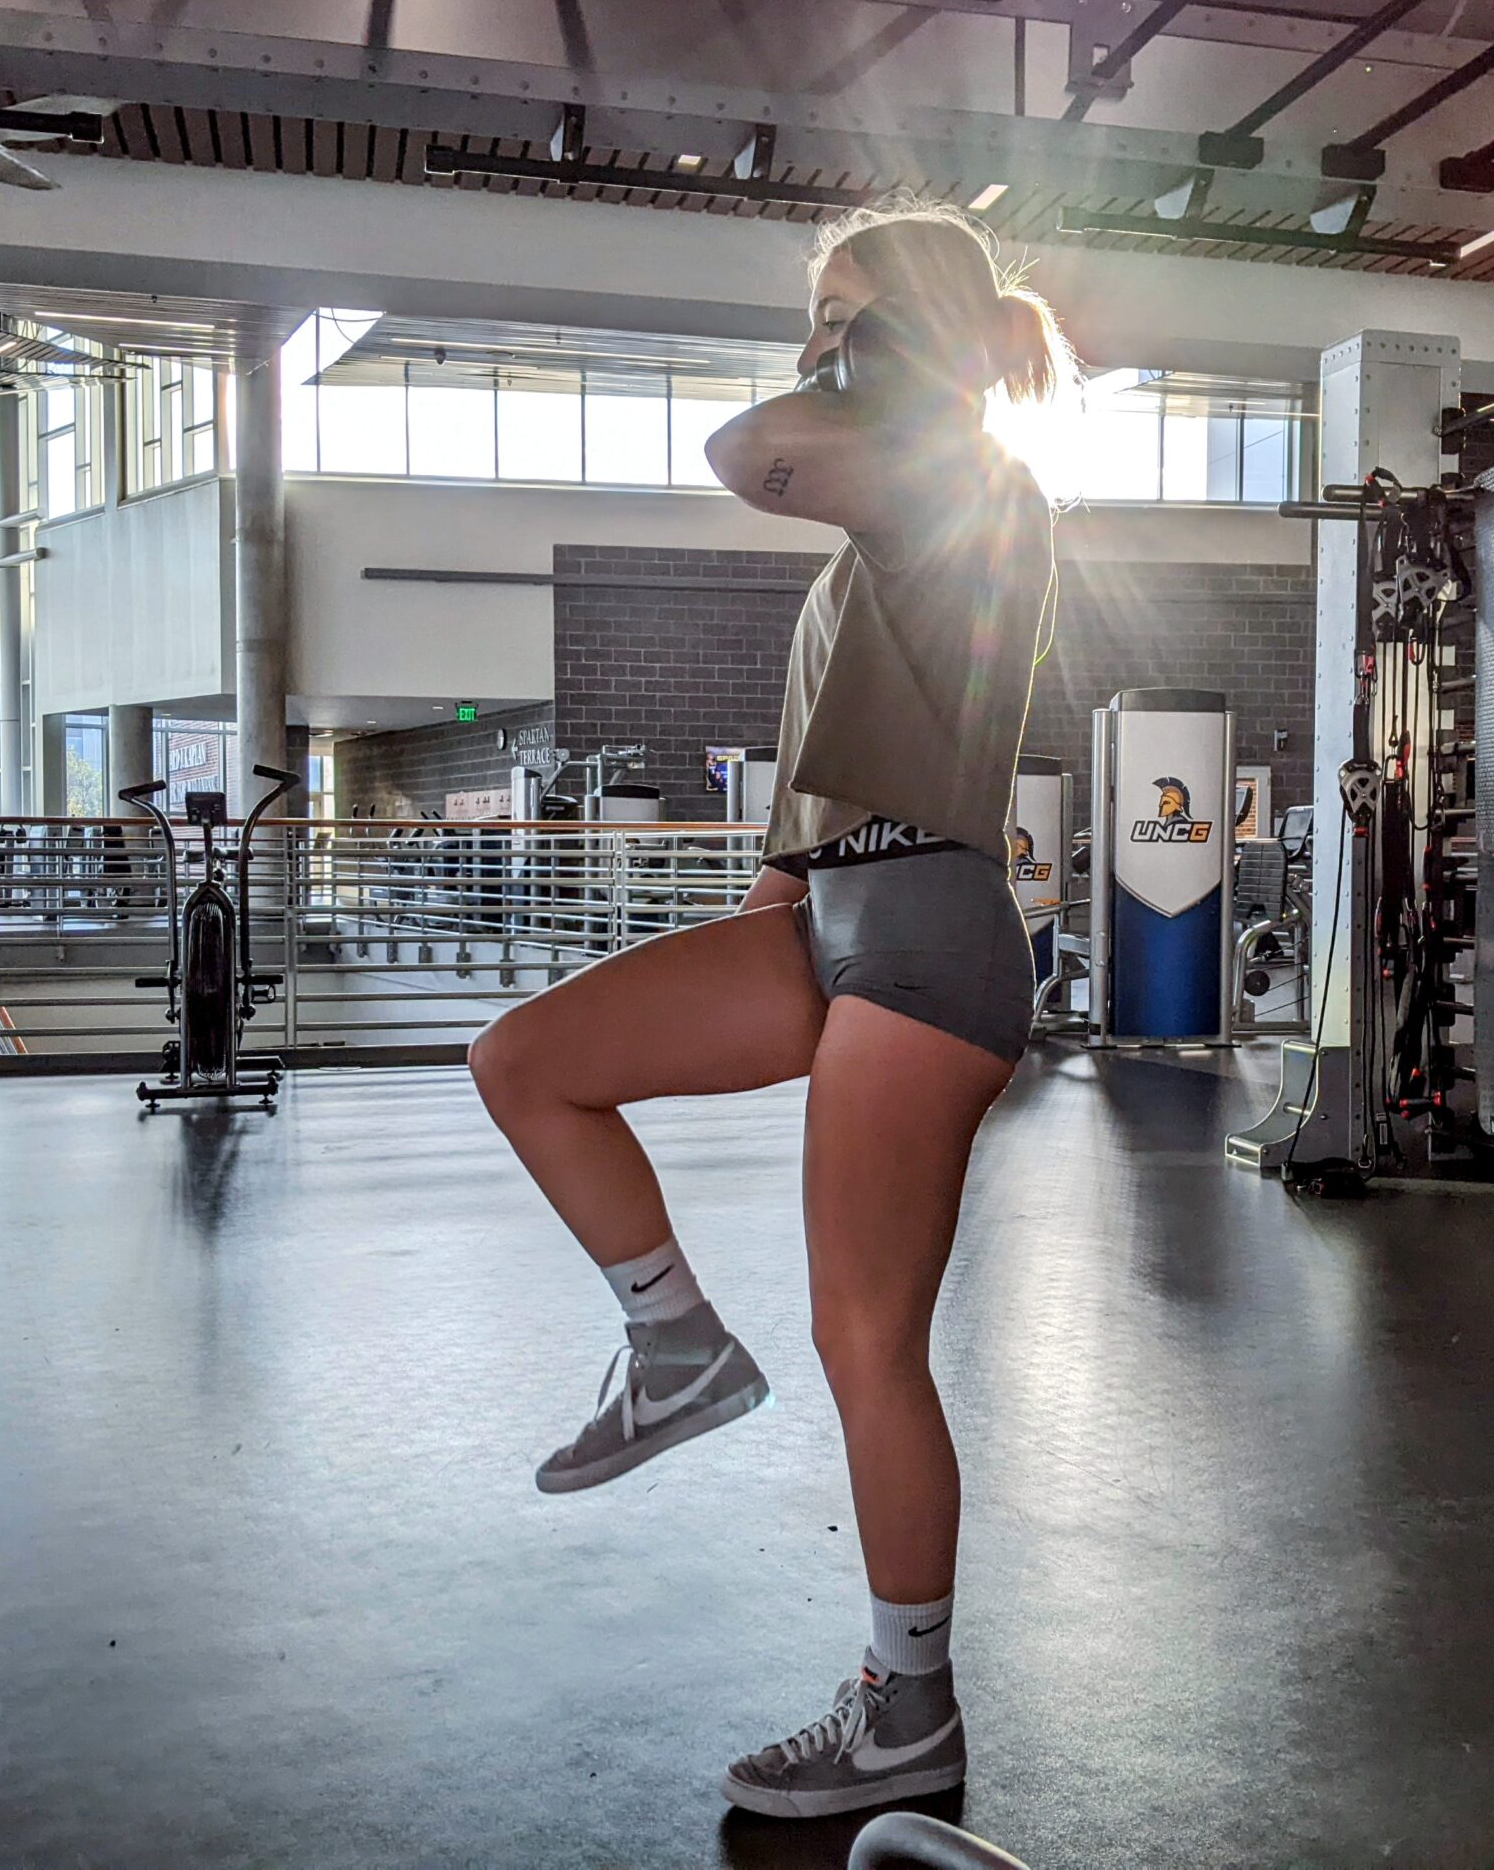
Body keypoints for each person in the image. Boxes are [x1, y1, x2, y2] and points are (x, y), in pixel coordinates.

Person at [468, 199, 1067, 1820]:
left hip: (932, 937)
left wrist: (858, 354)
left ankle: (909, 1709)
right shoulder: (900, 488)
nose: (810, 330)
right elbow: (842, 747)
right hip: (828, 907)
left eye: (838, 305)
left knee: (868, 1343)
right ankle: (671, 1347)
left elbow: (746, 449)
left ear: (903, 330)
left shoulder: (954, 473)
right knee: (526, 1059)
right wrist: (774, 899)